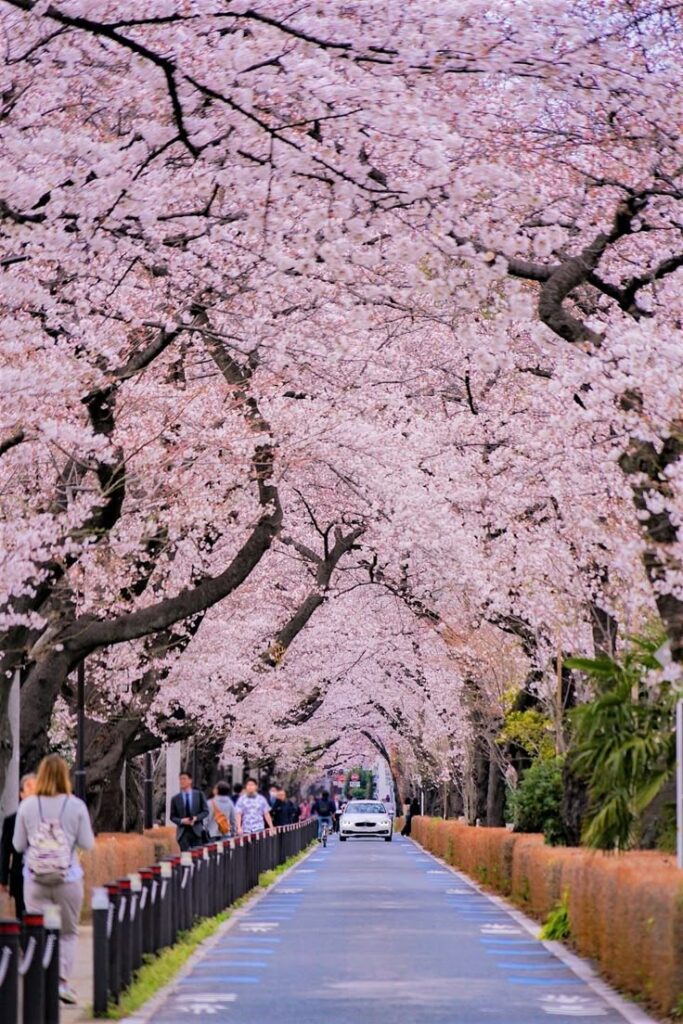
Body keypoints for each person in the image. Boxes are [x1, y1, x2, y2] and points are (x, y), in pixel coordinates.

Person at [13, 754, 94, 1005]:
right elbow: (87, 843)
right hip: (67, 877)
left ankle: (38, 984)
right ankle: (61, 982)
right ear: (64, 776)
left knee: (37, 931)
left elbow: (17, 845)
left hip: (35, 880)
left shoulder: (27, 806)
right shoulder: (76, 805)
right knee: (68, 933)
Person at [0, 772, 36, 918]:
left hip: (41, 873)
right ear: (21, 794)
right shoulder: (11, 821)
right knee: (22, 915)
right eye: (29, 788)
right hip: (19, 875)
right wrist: (2, 879)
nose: (34, 792)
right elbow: (4, 850)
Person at [170, 772, 209, 851]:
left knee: (198, 856)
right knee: (185, 857)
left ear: (190, 780)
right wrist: (181, 821)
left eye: (184, 779)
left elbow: (205, 811)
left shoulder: (199, 795)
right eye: (180, 779)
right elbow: (172, 817)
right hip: (182, 832)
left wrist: (196, 818)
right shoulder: (175, 798)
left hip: (197, 831)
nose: (182, 781)